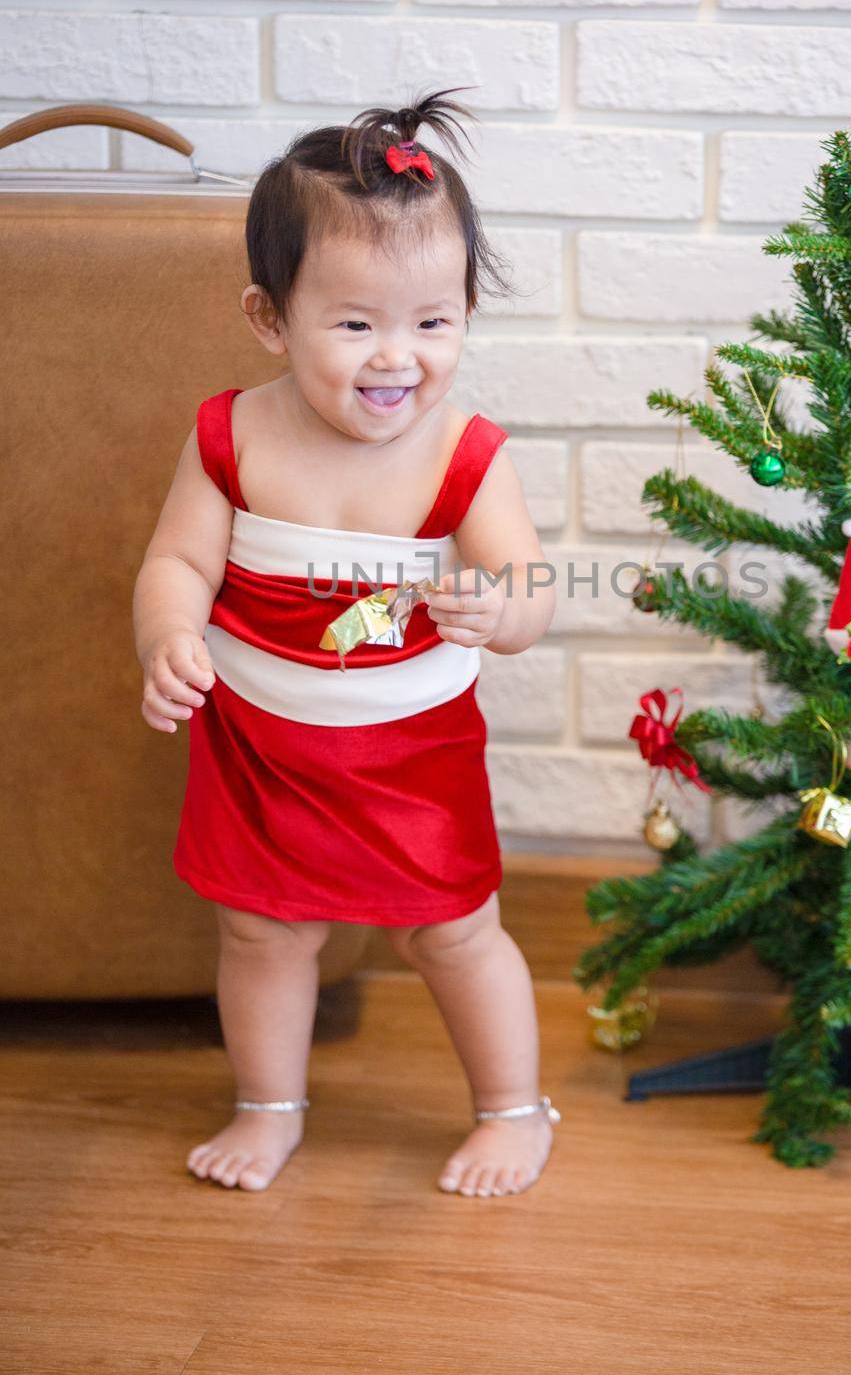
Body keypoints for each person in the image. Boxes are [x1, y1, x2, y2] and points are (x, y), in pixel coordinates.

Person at [132, 89, 559, 1199]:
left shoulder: (462, 452)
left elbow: (528, 589)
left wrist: (498, 611)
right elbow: (178, 562)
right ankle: (266, 1103)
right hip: (261, 741)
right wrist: (172, 633)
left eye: (432, 322)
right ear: (269, 318)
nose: (397, 358)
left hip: (408, 748)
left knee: (452, 934)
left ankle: (514, 1107)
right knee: (263, 934)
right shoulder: (232, 435)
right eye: (356, 322)